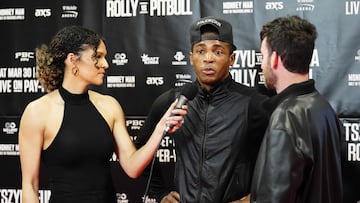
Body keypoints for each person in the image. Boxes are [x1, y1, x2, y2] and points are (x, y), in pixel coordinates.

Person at [18, 25, 187, 203]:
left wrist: (161, 129)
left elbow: (132, 167)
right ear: (72, 60)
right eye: (97, 57)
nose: (106, 64)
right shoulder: (37, 112)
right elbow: (29, 186)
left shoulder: (109, 106)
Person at [135, 16, 269, 203]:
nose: (208, 59)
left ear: (232, 59)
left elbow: (282, 159)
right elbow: (140, 148)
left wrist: (254, 198)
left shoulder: (253, 103)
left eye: (218, 52)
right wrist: (160, 193)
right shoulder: (173, 101)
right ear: (191, 58)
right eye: (200, 51)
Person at [250, 15, 344, 203]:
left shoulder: (286, 117)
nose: (261, 65)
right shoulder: (322, 106)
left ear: (275, 59)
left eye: (263, 56)